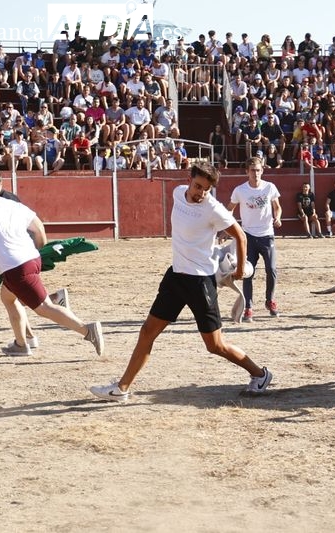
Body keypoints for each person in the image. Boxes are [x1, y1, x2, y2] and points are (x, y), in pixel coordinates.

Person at [90, 163, 273, 401]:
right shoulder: (178, 193)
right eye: (197, 186)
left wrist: (239, 270)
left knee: (215, 346)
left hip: (199, 283)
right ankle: (122, 388)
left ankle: (260, 374)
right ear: (189, 180)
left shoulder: (213, 209)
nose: (200, 192)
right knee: (147, 332)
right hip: (176, 277)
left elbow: (240, 235)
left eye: (206, 189)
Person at [0, 178, 104, 357]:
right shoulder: (14, 205)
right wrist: (38, 255)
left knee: (44, 308)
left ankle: (87, 331)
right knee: (8, 297)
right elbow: (38, 229)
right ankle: (21, 343)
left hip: (15, 267)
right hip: (32, 258)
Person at [227, 156, 282, 322]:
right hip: (248, 236)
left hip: (267, 235)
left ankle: (270, 301)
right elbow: (229, 209)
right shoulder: (240, 190)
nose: (256, 173)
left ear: (262, 171)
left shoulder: (270, 187)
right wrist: (228, 227)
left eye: (258, 170)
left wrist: (277, 217)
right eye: (252, 171)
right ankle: (248, 307)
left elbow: (277, 207)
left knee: (271, 270)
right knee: (247, 273)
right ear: (247, 172)